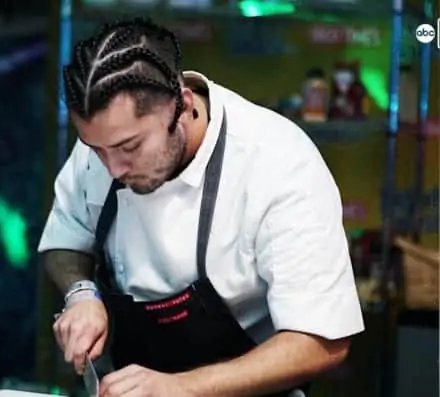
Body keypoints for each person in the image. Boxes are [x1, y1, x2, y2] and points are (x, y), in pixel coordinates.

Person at [39, 17, 365, 397]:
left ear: (184, 107)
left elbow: (323, 342)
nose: (112, 168)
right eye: (96, 150)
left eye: (130, 148)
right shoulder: (107, 138)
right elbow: (66, 239)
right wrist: (81, 293)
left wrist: (181, 388)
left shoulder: (278, 162)